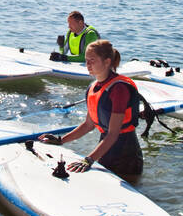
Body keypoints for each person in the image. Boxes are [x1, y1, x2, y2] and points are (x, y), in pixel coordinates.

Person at [38, 39, 143, 179]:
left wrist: (89, 159)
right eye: (86, 60)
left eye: (92, 60)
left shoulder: (119, 89)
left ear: (106, 62)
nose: (87, 64)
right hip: (105, 152)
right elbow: (88, 125)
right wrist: (61, 140)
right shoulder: (93, 87)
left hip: (126, 157)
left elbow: (113, 133)